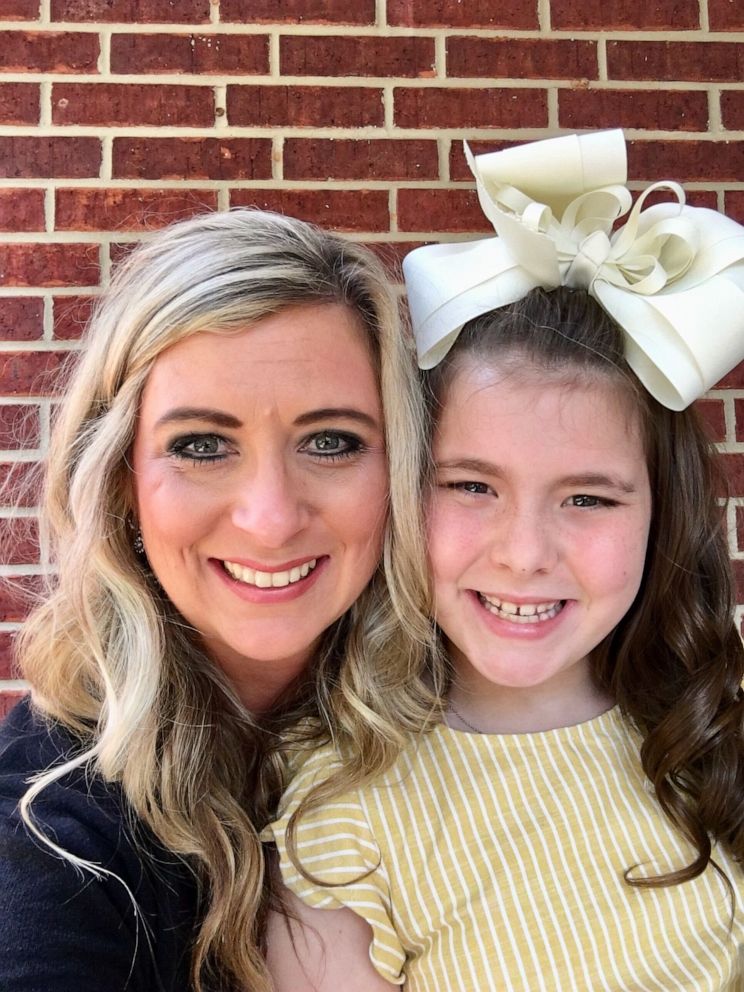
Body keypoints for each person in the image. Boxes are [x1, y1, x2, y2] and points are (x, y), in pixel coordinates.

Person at [266, 131, 744, 989]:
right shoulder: (336, 812)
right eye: (471, 487)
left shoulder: (710, 738)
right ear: (405, 491)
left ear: (662, 516)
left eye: (588, 499)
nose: (525, 554)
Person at [0, 208, 435, 992]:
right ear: (122, 480)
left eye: (331, 441)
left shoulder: (471, 706)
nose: (270, 518)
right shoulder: (51, 829)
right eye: (201, 445)